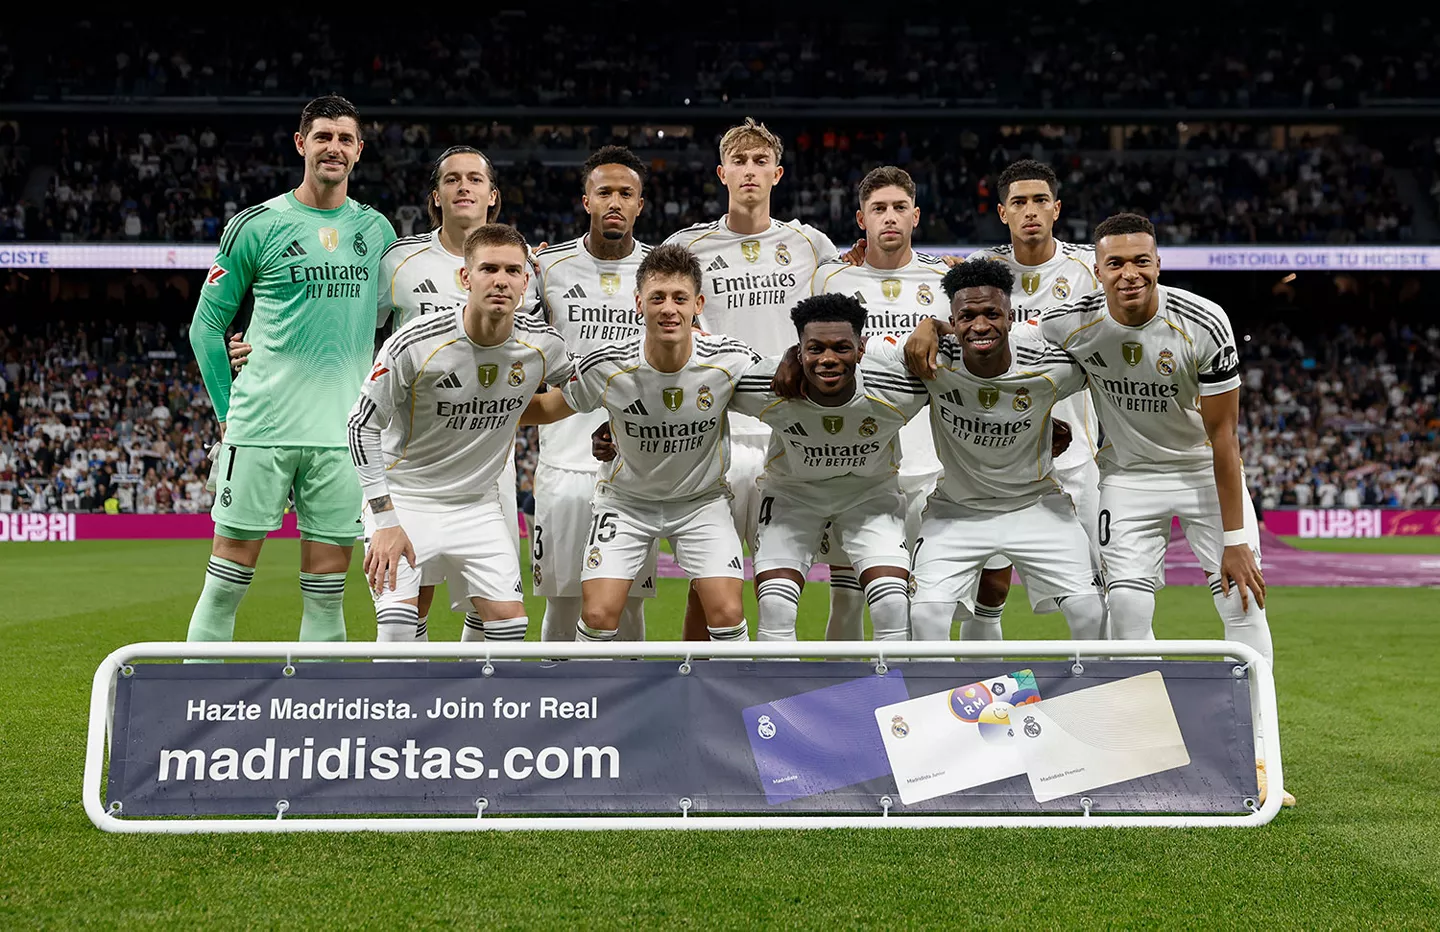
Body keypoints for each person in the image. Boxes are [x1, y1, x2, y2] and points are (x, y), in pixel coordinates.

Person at [1036, 212, 1290, 807]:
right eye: (1116, 264)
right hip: (1126, 478)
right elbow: (1001, 357)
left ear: (1158, 264)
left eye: (1141, 261)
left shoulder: (1202, 322)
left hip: (1203, 473)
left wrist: (1234, 538)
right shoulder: (1069, 325)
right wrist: (933, 325)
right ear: (1095, 272)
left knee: (1242, 598)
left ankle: (1258, 755)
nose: (1130, 274)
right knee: (1124, 608)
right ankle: (1144, 755)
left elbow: (1225, 438)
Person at [184, 94, 396, 653]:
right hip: (262, 428)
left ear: (359, 152)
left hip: (341, 434)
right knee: (224, 587)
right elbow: (205, 328)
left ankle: (312, 727)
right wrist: (229, 413)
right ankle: (193, 721)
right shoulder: (256, 225)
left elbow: (407, 313)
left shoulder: (377, 232)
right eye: (323, 136)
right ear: (301, 143)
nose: (334, 147)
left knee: (327, 596)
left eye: (345, 138)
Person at [520, 245, 757, 644]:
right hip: (625, 504)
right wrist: (476, 405)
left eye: (680, 298)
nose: (669, 309)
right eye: (657, 298)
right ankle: (589, 706)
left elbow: (786, 399)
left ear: (698, 303)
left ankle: (721, 706)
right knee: (596, 614)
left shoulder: (730, 361)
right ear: (638, 304)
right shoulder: (607, 366)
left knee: (728, 611)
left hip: (701, 502)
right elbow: (545, 408)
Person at [349, 224, 571, 644]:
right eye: (488, 268)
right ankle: (396, 708)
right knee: (398, 627)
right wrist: (384, 518)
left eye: (512, 270)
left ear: (527, 281)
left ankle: (471, 710)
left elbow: (582, 388)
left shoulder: (544, 345)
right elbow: (361, 424)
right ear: (466, 277)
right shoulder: (414, 344)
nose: (501, 280)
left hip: (477, 505)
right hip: (407, 499)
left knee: (509, 628)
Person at [663, 118, 841, 640]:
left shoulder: (810, 245)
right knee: (709, 581)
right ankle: (694, 683)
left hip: (788, 433)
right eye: (739, 161)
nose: (749, 171)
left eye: (760, 161)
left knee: (782, 576)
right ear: (722, 172)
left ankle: (770, 682)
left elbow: (846, 305)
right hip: (713, 431)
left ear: (777, 174)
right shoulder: (687, 246)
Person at [894, 260, 1105, 643]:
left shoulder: (1050, 367)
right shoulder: (932, 361)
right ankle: (940, 702)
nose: (980, 325)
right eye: (966, 316)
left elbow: (1110, 368)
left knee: (1090, 611)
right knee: (925, 617)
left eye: (992, 314)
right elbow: (854, 350)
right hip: (957, 510)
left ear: (1010, 317)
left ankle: (1086, 700)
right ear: (952, 322)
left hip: (1036, 506)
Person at [731, 293, 926, 641]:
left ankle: (894, 695)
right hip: (792, 495)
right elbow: (695, 393)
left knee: (892, 603)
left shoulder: (902, 389)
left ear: (861, 349)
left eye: (841, 348)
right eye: (815, 349)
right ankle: (781, 696)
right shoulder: (766, 385)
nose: (828, 359)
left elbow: (971, 378)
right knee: (776, 606)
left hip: (869, 495)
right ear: (799, 350)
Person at [964, 159, 1104, 640]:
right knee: (989, 592)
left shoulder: (1090, 267)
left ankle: (1103, 698)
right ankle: (979, 700)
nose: (1030, 211)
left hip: (1075, 457)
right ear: (1002, 212)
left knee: (1091, 590)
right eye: (1019, 202)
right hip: (997, 457)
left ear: (1057, 208)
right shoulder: (978, 273)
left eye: (1040, 200)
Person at [527, 146, 656, 643]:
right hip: (562, 463)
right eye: (605, 192)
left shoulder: (662, 270)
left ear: (641, 204)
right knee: (561, 605)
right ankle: (560, 712)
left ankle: (634, 714)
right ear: (587, 200)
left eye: (627, 193)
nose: (616, 202)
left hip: (637, 470)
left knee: (629, 608)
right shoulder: (548, 267)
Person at [810, 165, 946, 638]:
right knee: (846, 598)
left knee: (925, 601)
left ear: (916, 216)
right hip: (856, 469)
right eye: (878, 209)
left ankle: (913, 704)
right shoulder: (832, 281)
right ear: (860, 219)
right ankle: (842, 708)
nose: (890, 217)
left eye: (899, 208)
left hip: (933, 463)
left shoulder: (945, 280)